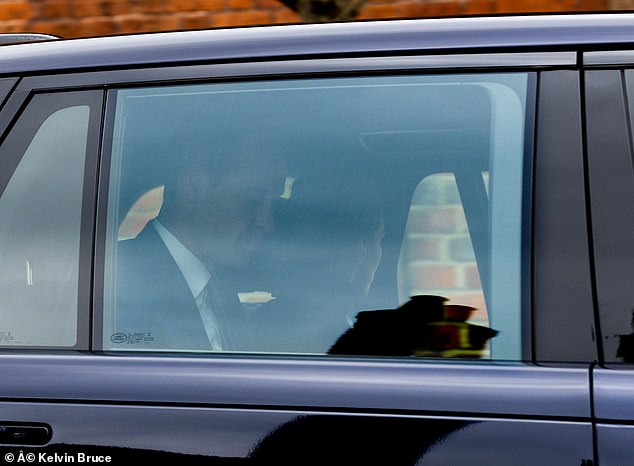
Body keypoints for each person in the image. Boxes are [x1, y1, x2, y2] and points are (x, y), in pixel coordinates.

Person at [110, 133, 288, 351]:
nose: (266, 222)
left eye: (274, 203)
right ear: (194, 185)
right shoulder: (117, 285)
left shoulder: (218, 289)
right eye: (253, 199)